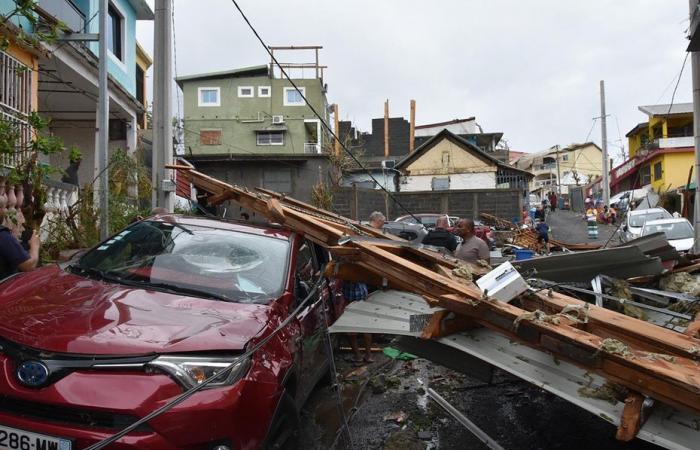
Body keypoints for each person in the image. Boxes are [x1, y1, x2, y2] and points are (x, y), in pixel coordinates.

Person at [344, 211, 385, 364]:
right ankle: (366, 356)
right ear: (378, 220)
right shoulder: (368, 234)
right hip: (359, 287)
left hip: (355, 288)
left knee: (353, 326)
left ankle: (360, 356)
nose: (382, 225)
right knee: (363, 323)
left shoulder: (363, 234)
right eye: (382, 222)